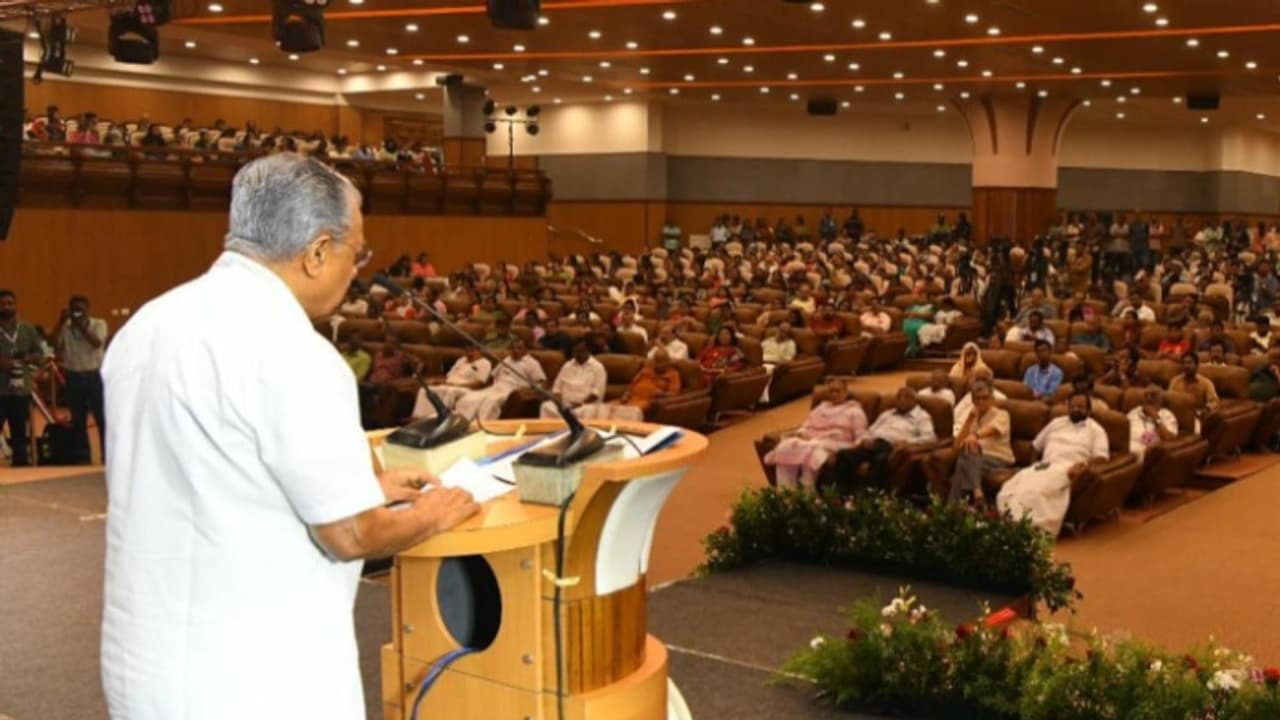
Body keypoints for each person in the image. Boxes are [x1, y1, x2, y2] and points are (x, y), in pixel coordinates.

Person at [99, 154, 479, 720]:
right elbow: (351, 534)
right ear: (318, 250)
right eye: (357, 252)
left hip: (145, 666)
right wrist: (433, 514)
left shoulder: (149, 325)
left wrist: (364, 484)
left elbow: (208, 471)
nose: (357, 270)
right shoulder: (296, 353)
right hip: (256, 679)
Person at [997, 394, 1109, 536]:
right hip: (1044, 466)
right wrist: (1033, 464)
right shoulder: (1057, 423)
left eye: (1080, 407)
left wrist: (1083, 465)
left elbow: (1102, 457)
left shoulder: (1096, 430)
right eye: (1073, 406)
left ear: (1088, 410)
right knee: (1011, 487)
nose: (1075, 409)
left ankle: (1029, 528)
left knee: (1037, 491)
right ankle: (1008, 523)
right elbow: (1035, 446)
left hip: (1067, 469)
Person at [763, 379, 867, 490]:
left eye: (838, 391)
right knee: (787, 445)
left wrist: (854, 450)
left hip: (837, 443)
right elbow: (806, 426)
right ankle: (785, 490)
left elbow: (861, 436)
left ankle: (807, 488)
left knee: (813, 448)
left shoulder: (854, 411)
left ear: (845, 393)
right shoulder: (821, 408)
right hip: (812, 439)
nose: (834, 394)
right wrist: (800, 433)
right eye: (831, 391)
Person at [831, 386, 936, 492]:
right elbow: (871, 430)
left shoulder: (922, 416)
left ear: (914, 400)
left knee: (879, 460)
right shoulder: (887, 413)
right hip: (874, 443)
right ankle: (841, 495)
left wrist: (908, 442)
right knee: (843, 455)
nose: (902, 400)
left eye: (906, 397)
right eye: (899, 397)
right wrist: (866, 439)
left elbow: (930, 438)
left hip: (892, 446)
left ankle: (870, 498)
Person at [49, 295, 109, 464]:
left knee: (102, 418)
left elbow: (97, 342)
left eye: (81, 310)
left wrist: (80, 326)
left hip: (95, 376)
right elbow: (52, 344)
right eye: (74, 310)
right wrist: (60, 323)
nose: (77, 313)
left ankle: (108, 455)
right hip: (74, 377)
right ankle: (83, 457)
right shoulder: (66, 327)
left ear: (88, 310)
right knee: (78, 420)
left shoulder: (99, 324)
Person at [947, 380, 1014, 504]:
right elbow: (956, 446)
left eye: (985, 398)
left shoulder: (1002, 414)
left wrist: (975, 436)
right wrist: (969, 419)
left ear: (992, 398)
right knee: (963, 459)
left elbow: (992, 429)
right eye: (977, 399)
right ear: (972, 400)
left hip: (998, 459)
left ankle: (952, 509)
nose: (981, 402)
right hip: (975, 459)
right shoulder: (972, 417)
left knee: (964, 459)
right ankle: (977, 496)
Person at [0, 289, 44, 467]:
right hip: (0, 389)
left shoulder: (27, 328)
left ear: (15, 305)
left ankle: (21, 467)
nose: (6, 307)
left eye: (10, 303)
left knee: (19, 431)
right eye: (2, 304)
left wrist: (28, 358)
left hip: (21, 389)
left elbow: (39, 353)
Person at [454, 338, 546, 421]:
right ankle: (462, 423)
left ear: (525, 350)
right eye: (513, 348)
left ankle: (482, 426)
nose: (515, 351)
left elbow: (541, 382)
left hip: (512, 390)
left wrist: (528, 390)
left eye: (519, 348)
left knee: (490, 402)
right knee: (469, 398)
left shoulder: (532, 363)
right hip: (496, 387)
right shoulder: (507, 359)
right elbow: (493, 376)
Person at [578, 348, 681, 422]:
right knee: (605, 408)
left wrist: (662, 394)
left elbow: (674, 394)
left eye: (661, 363)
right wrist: (626, 394)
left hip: (647, 401)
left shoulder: (673, 374)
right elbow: (632, 385)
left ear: (668, 363)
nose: (658, 365)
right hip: (630, 398)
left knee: (630, 412)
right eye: (656, 362)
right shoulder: (646, 370)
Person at [411, 345, 491, 419]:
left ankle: (441, 418)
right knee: (425, 390)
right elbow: (450, 377)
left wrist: (456, 385)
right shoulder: (461, 360)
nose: (469, 353)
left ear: (480, 352)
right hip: (448, 385)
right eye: (467, 351)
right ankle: (419, 417)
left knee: (450, 391)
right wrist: (438, 381)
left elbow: (479, 383)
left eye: (472, 351)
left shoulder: (484, 363)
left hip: (465, 388)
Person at [539, 341, 607, 419]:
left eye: (581, 351)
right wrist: (560, 402)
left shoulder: (598, 367)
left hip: (585, 405)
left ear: (588, 351)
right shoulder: (567, 365)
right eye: (576, 351)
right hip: (565, 403)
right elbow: (557, 388)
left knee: (586, 411)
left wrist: (580, 404)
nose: (578, 354)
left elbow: (596, 393)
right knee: (545, 406)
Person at [1168, 352, 1219, 425]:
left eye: (1189, 363)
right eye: (1183, 363)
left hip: (1196, 416)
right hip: (1175, 416)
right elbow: (1168, 399)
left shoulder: (1206, 383)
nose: (1186, 366)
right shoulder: (1175, 381)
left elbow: (1215, 402)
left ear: (1197, 365)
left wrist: (1206, 409)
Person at [1127, 386, 1177, 460]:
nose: (1148, 398)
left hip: (1146, 455)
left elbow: (1170, 439)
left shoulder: (1167, 415)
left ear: (1161, 399)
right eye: (1146, 395)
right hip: (1126, 453)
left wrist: (1156, 418)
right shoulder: (1134, 412)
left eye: (1153, 395)